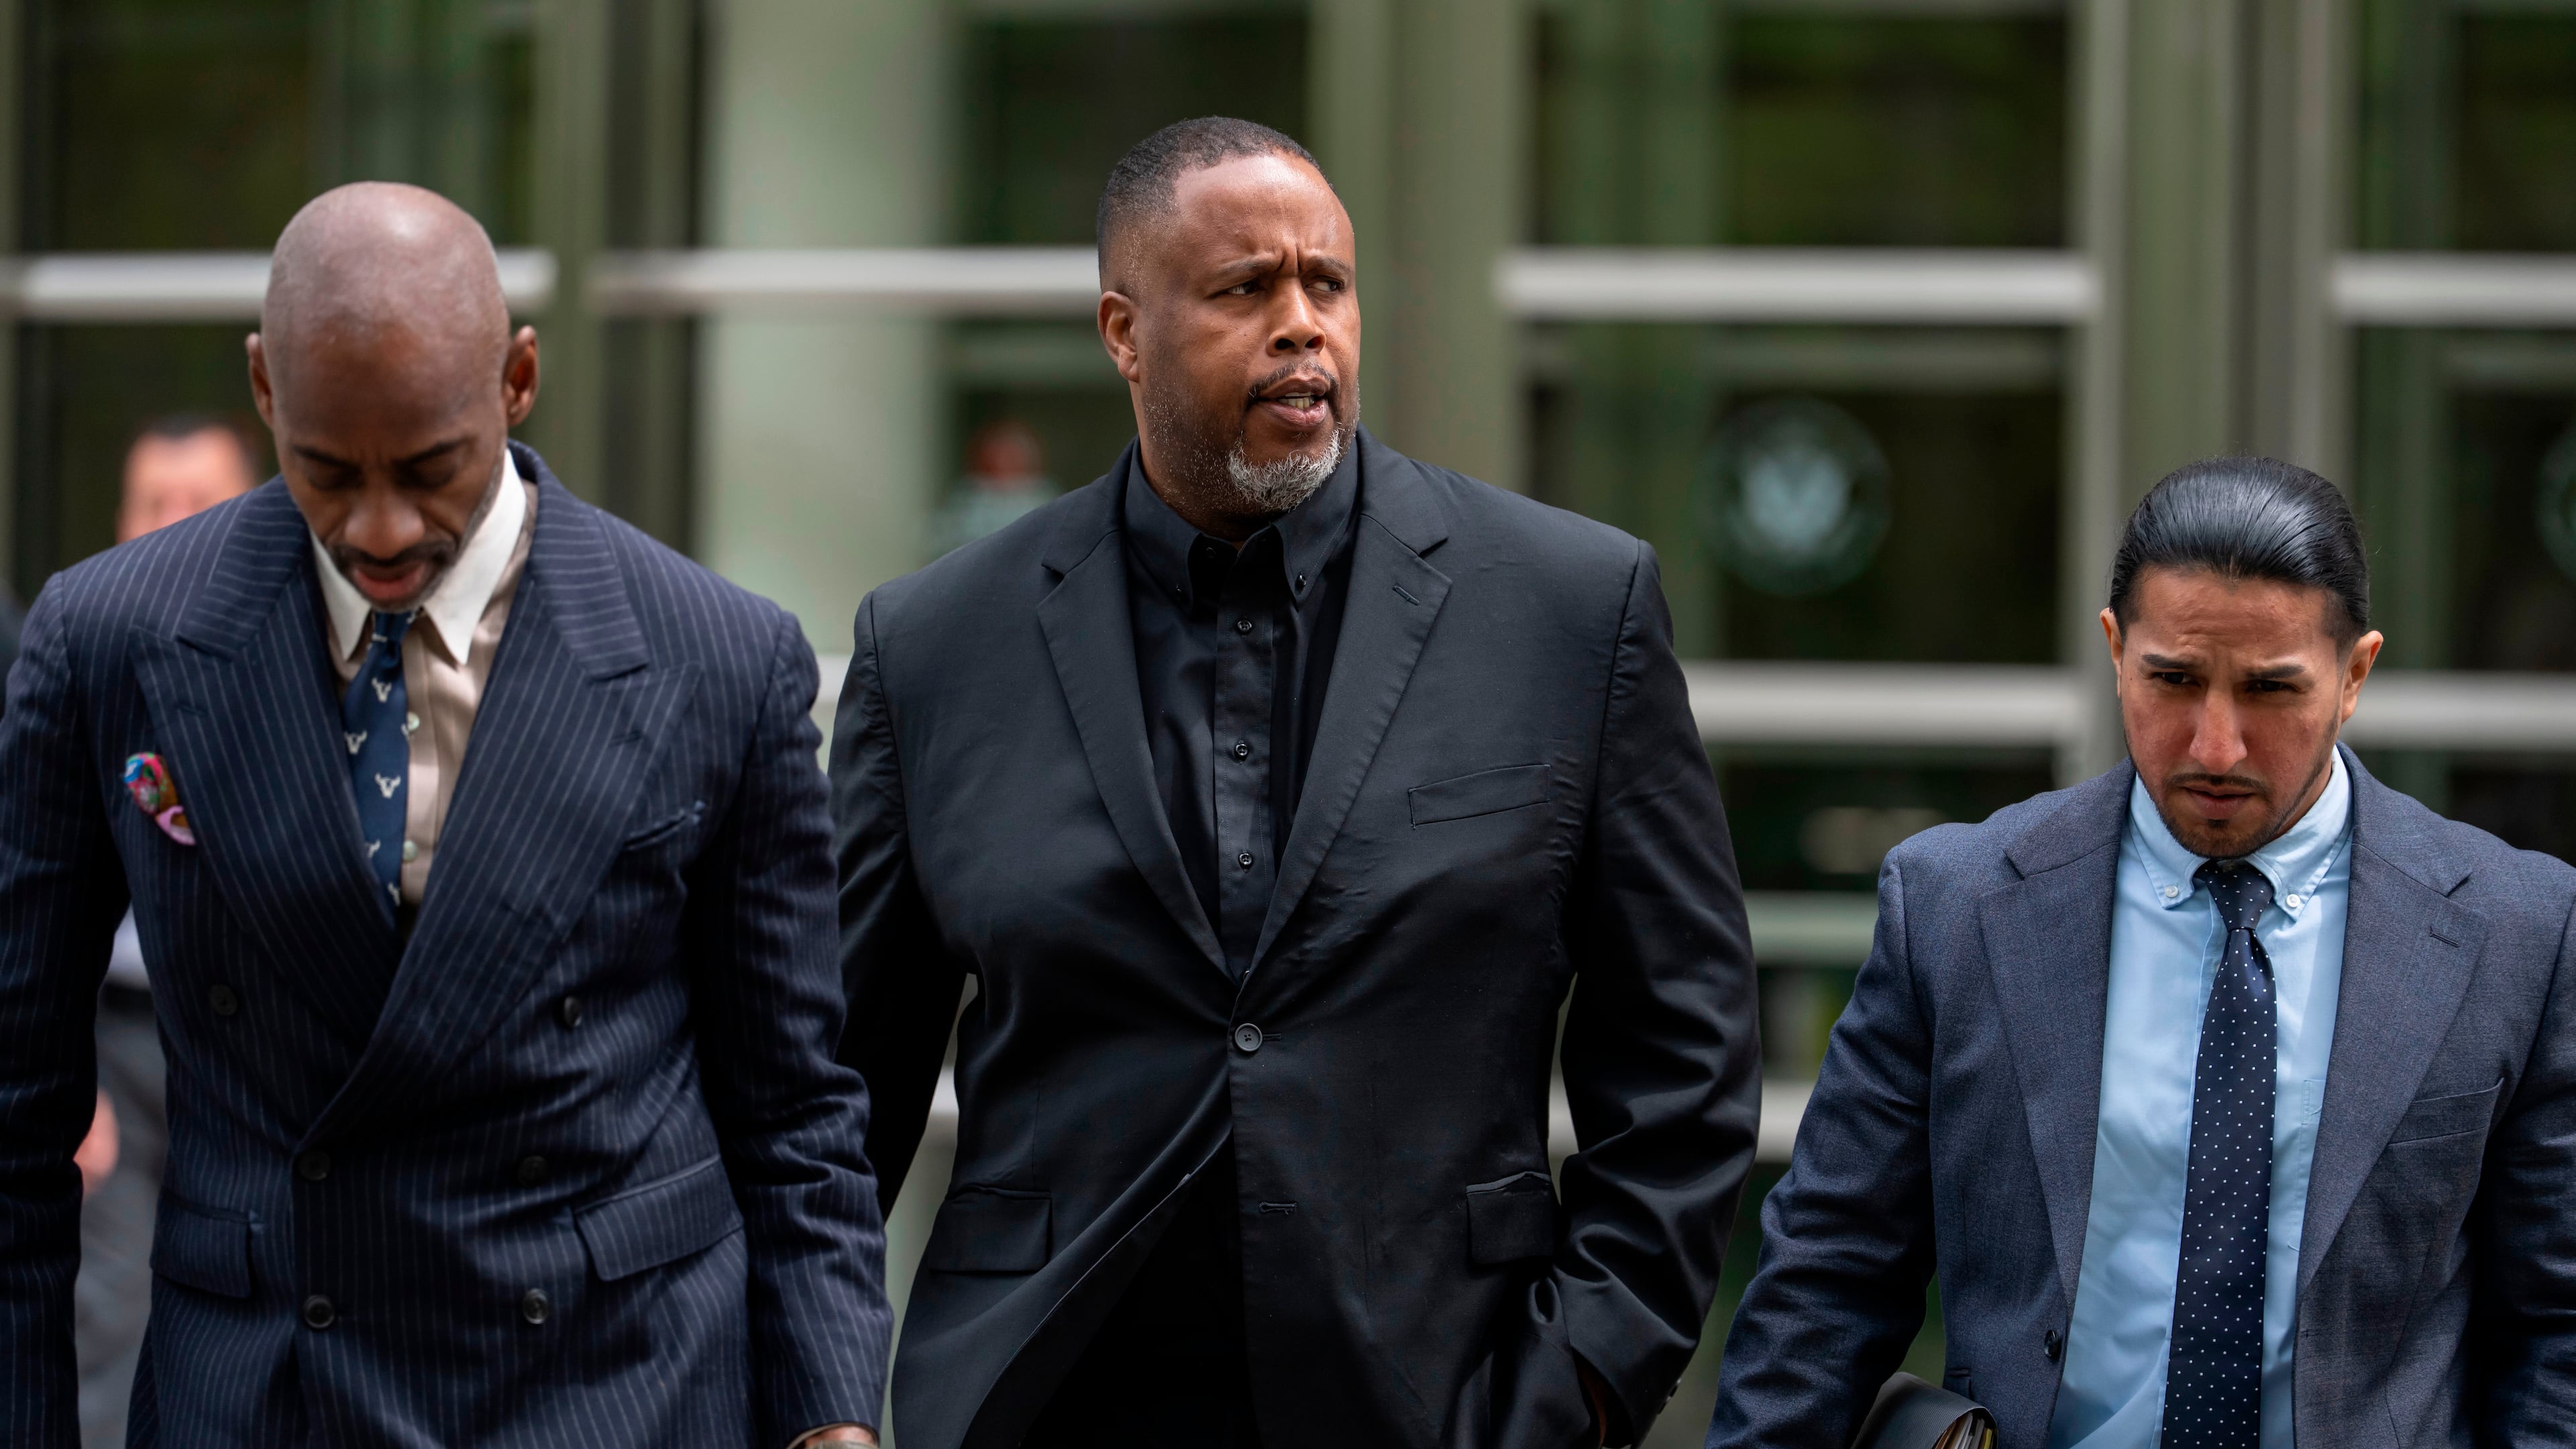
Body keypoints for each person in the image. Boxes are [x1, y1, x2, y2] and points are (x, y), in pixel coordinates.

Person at [835, 117, 1760, 1449]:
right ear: (1122, 331)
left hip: (1451, 1402)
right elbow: (829, 1096)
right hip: (1039, 1402)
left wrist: (1586, 1383)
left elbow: (1683, 1053)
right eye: (1242, 289)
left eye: (1326, 283)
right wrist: (813, 1393)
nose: (1300, 325)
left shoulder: (1570, 610)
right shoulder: (932, 647)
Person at [0, 182, 889, 1448]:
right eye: (326, 471)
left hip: (617, 1390)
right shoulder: (108, 642)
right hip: (265, 1401)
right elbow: (17, 1119)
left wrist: (833, 1420)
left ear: (519, 379)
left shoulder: (717, 658)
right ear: (264, 388)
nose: (379, 529)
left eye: (430, 470)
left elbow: (796, 1110)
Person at [1709, 458, 2576, 1447]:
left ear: (2355, 677)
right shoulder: (1958, 907)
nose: (2215, 744)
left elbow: (2559, 1325)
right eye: (2172, 680)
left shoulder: (2517, 932)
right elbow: (1827, 1282)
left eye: (2268, 690)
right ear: (2116, 651)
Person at [71, 415, 262, 1449]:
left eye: (204, 501)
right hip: (108, 1039)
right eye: (155, 503)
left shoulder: (313, 663)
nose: (176, 529)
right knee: (106, 1313)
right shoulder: (74, 666)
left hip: (255, 1053)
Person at [927, 419, 1058, 557]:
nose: (1002, 463)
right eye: (998, 455)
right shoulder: (967, 496)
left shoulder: (1043, 496)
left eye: (1011, 456)